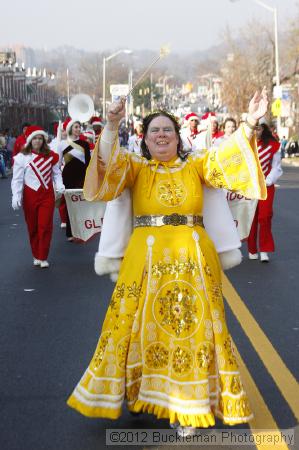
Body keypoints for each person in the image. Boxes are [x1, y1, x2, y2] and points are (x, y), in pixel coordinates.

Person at [67, 90, 268, 435]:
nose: (161, 135)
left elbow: (227, 158)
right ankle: (138, 392)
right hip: (143, 261)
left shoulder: (196, 165)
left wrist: (250, 122)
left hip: (193, 261)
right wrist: (112, 126)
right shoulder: (135, 167)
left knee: (189, 333)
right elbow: (106, 170)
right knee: (131, 328)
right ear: (144, 139)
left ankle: (184, 408)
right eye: (154, 131)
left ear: (178, 138)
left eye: (168, 130)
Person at [11, 126, 65, 267]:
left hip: (47, 195)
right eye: (35, 138)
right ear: (29, 140)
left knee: (45, 226)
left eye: (40, 138)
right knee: (33, 227)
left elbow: (56, 173)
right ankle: (36, 254)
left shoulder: (51, 156)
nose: (37, 141)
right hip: (30, 196)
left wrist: (59, 185)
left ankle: (43, 256)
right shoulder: (22, 158)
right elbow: (16, 179)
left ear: (44, 140)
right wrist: (16, 196)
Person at [247, 120, 283, 262]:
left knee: (265, 216)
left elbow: (277, 167)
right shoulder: (246, 144)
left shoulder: (273, 145)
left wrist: (268, 180)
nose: (257, 132)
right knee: (251, 218)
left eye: (259, 129)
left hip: (266, 186)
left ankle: (265, 250)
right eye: (254, 129)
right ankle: (252, 249)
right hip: (249, 186)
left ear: (264, 129)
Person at [61, 118, 91, 241]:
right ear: (70, 129)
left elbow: (88, 163)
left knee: (80, 204)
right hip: (67, 177)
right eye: (75, 127)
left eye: (79, 127)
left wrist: (89, 178)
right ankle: (70, 233)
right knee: (70, 204)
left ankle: (81, 232)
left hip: (81, 177)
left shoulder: (85, 144)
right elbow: (58, 163)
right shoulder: (63, 144)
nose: (78, 129)